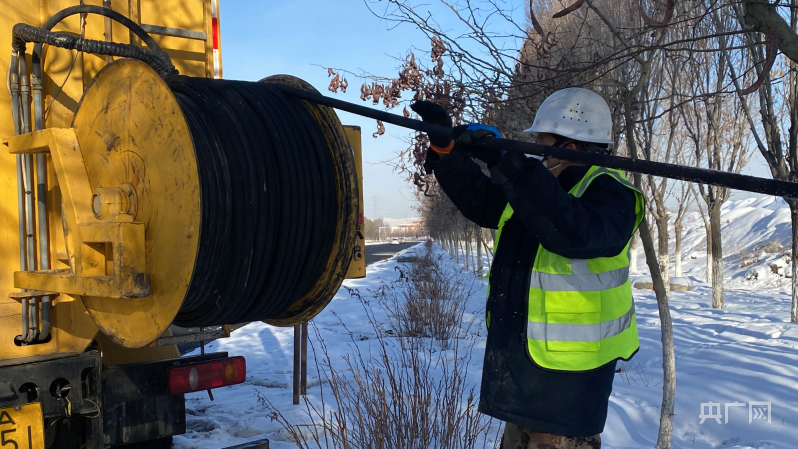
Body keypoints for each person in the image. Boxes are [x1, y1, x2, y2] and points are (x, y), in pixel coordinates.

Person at [410, 88, 645, 449]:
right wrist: (447, 151)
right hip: (526, 369)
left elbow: (571, 230)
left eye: (541, 142)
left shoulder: (611, 194)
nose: (534, 149)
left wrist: (509, 162)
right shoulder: (537, 188)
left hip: (569, 386)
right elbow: (483, 201)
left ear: (570, 147)